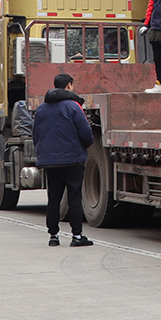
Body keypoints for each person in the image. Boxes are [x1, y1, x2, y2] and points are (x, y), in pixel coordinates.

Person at [32, 71, 94, 247]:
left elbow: (36, 134)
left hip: (50, 161)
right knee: (74, 199)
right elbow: (85, 133)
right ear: (69, 86)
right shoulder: (73, 106)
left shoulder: (41, 109)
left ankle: (53, 236)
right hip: (72, 160)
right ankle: (77, 236)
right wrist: (86, 145)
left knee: (54, 199)